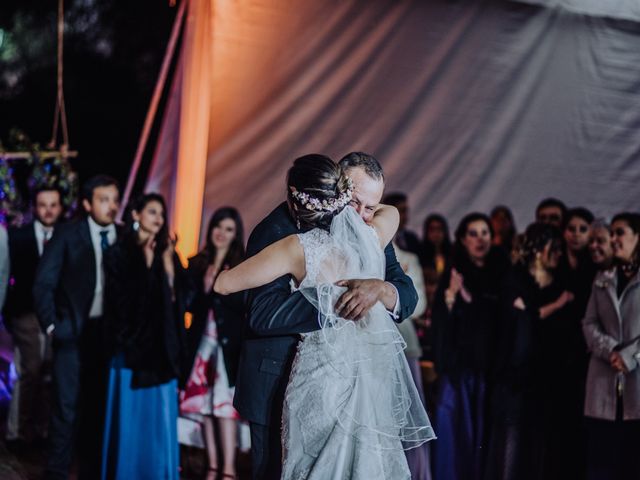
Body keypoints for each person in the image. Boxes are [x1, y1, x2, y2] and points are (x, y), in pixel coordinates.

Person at [215, 155, 434, 478]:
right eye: (356, 203)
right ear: (338, 187)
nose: (362, 215)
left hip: (360, 382)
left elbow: (404, 290)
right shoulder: (277, 231)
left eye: (370, 208)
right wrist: (334, 302)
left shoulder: (364, 232)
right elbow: (261, 314)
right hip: (280, 380)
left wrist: (381, 289)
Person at [34, 175, 120, 480]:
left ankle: (91, 471)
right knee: (65, 407)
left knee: (98, 408)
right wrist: (53, 327)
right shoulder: (68, 234)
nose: (111, 206)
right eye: (103, 199)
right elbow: (43, 282)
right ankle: (56, 471)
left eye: (114, 199)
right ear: (87, 203)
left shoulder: (122, 237)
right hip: (71, 333)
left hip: (106, 338)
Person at [101, 192, 185, 480]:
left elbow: (176, 301)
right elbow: (120, 302)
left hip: (160, 351)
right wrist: (147, 263)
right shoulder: (118, 252)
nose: (158, 218)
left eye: (161, 213)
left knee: (158, 419)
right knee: (128, 420)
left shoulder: (167, 251)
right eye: (152, 211)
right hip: (129, 350)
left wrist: (165, 264)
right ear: (136, 215)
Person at [486, 222, 570, 480]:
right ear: (537, 249)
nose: (558, 254)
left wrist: (538, 311)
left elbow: (534, 317)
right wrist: (556, 305)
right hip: (515, 378)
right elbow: (520, 318)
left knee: (540, 448)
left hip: (546, 377)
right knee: (510, 445)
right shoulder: (516, 278)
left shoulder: (559, 282)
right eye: (553, 248)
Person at [430, 213, 510, 480]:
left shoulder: (501, 272)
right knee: (456, 431)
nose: (480, 239)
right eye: (473, 233)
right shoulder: (455, 271)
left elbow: (500, 318)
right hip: (460, 368)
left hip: (491, 369)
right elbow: (442, 321)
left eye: (484, 233)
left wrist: (469, 299)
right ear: (463, 239)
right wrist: (452, 296)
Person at [181, 207, 246, 478]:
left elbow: (244, 307)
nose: (222, 233)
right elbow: (187, 305)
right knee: (203, 406)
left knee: (224, 408)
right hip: (201, 346)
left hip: (227, 348)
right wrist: (205, 288)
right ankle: (212, 466)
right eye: (218, 226)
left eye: (229, 229)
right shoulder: (196, 263)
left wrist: (224, 286)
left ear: (235, 234)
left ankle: (228, 470)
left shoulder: (242, 265)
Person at [582, 212, 640, 480]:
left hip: (636, 381)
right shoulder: (603, 277)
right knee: (602, 463)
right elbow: (589, 323)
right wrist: (611, 351)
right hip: (603, 384)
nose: (613, 239)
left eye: (620, 233)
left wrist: (629, 356)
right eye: (612, 233)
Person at [4, 187, 63, 448]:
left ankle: (41, 430)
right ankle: (17, 432)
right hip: (25, 312)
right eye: (42, 204)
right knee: (31, 368)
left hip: (56, 313)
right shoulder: (18, 237)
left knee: (49, 371)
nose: (48, 210)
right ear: (34, 207)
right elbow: (5, 275)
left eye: (53, 205)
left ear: (60, 207)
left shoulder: (66, 236)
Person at [383, 192, 421, 256]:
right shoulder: (378, 238)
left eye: (406, 211)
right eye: (402, 211)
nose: (406, 217)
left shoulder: (412, 239)